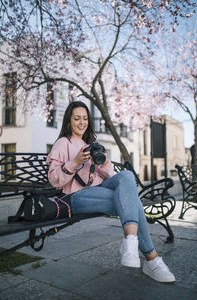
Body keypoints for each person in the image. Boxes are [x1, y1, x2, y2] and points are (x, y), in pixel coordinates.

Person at [46, 101, 175, 283]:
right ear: (69, 121)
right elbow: (54, 180)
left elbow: (113, 177)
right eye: (77, 118)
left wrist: (104, 162)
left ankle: (131, 243)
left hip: (99, 190)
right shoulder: (63, 143)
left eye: (85, 118)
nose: (82, 122)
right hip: (76, 196)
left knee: (127, 175)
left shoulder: (89, 143)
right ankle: (151, 259)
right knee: (132, 202)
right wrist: (74, 162)